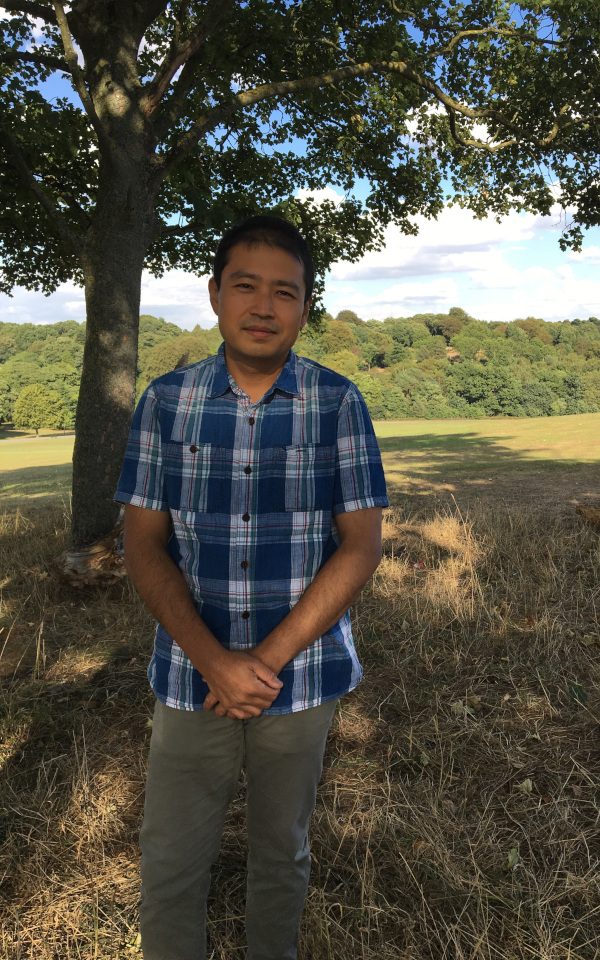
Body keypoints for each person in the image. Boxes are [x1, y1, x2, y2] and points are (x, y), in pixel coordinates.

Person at [115, 214, 389, 960]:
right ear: (214, 295)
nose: (263, 306)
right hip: (188, 676)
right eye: (246, 286)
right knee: (170, 862)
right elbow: (142, 545)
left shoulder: (338, 404)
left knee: (282, 854)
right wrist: (215, 662)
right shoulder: (165, 404)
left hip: (300, 681)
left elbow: (360, 547)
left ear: (306, 306)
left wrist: (259, 663)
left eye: (285, 292)